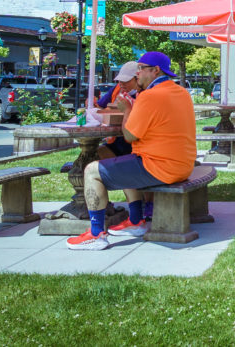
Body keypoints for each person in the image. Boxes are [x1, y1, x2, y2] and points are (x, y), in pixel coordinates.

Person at [67, 51, 197, 250]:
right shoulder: (181, 93)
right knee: (125, 159)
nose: (137, 74)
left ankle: (95, 234)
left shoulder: (150, 96)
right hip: (183, 165)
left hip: (159, 166)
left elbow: (129, 136)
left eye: (140, 69)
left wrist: (128, 109)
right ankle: (136, 221)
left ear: (155, 71)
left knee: (91, 171)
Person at [96, 61, 141, 160]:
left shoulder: (144, 95)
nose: (121, 84)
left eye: (126, 81)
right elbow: (100, 107)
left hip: (133, 146)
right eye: (120, 80)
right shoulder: (116, 89)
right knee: (94, 154)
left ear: (138, 79)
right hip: (115, 141)